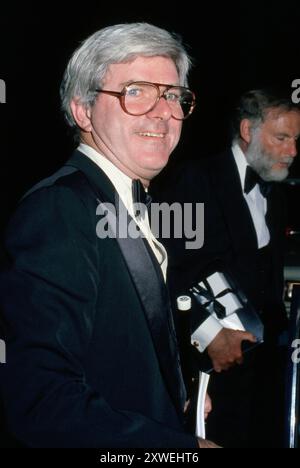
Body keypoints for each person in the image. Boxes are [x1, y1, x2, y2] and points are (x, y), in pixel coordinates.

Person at [0, 22, 218, 448]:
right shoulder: (58, 210)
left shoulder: (130, 202)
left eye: (172, 95)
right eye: (136, 91)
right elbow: (42, 405)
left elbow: (120, 341)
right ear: (82, 110)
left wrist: (176, 393)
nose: (162, 112)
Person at [151, 88, 300, 447]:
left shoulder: (274, 190)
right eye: (282, 138)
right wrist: (208, 333)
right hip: (209, 371)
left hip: (263, 372)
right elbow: (161, 271)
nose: (293, 151)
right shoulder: (193, 180)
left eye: (296, 140)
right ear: (248, 131)